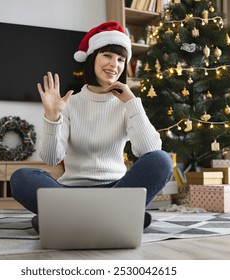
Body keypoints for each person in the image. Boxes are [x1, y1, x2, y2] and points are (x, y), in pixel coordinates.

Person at [10, 21, 173, 233]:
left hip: (116, 190)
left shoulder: (126, 104)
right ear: (92, 57)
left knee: (161, 160)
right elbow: (51, 157)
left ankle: (64, 219)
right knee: (21, 178)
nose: (115, 64)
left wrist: (133, 103)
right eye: (107, 55)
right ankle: (116, 217)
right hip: (71, 191)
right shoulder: (70, 103)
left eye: (121, 59)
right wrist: (52, 117)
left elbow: (148, 150)